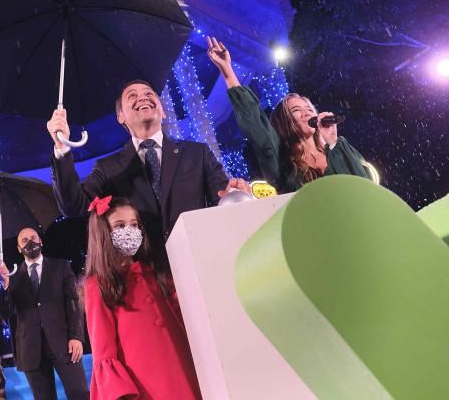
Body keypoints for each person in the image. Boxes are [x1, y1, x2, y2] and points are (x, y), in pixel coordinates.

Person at [48, 79, 245, 250]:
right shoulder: (107, 168)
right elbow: (74, 206)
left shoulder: (197, 153)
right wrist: (62, 147)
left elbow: (222, 200)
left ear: (163, 110)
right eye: (132, 96)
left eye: (149, 94)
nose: (142, 98)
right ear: (121, 117)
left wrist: (233, 195)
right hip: (145, 277)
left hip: (197, 261)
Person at [205, 36, 371, 193]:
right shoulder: (280, 160)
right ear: (284, 123)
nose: (306, 114)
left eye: (309, 110)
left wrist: (333, 143)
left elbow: (364, 188)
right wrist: (227, 70)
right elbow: (255, 120)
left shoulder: (338, 148)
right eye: (296, 111)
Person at [84, 196, 201, 400]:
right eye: (119, 226)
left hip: (184, 369)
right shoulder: (98, 285)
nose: (128, 231)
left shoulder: (157, 272)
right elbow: (103, 349)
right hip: (144, 383)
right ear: (103, 233)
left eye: (134, 224)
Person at [0, 227, 89, 400]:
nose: (30, 242)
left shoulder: (61, 266)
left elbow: (73, 303)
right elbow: (5, 313)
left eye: (33, 237)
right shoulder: (13, 277)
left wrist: (76, 336)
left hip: (64, 344)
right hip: (30, 349)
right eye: (24, 240)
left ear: (41, 241)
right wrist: (5, 286)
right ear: (18, 248)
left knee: (80, 394)